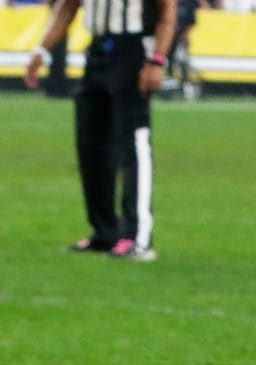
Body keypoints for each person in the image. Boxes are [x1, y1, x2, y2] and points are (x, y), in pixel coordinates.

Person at [25, 0, 177, 262]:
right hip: (98, 51)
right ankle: (105, 232)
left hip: (134, 49)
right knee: (91, 143)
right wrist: (42, 49)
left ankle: (138, 236)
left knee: (134, 143)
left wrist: (157, 60)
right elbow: (66, 8)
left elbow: (167, 11)